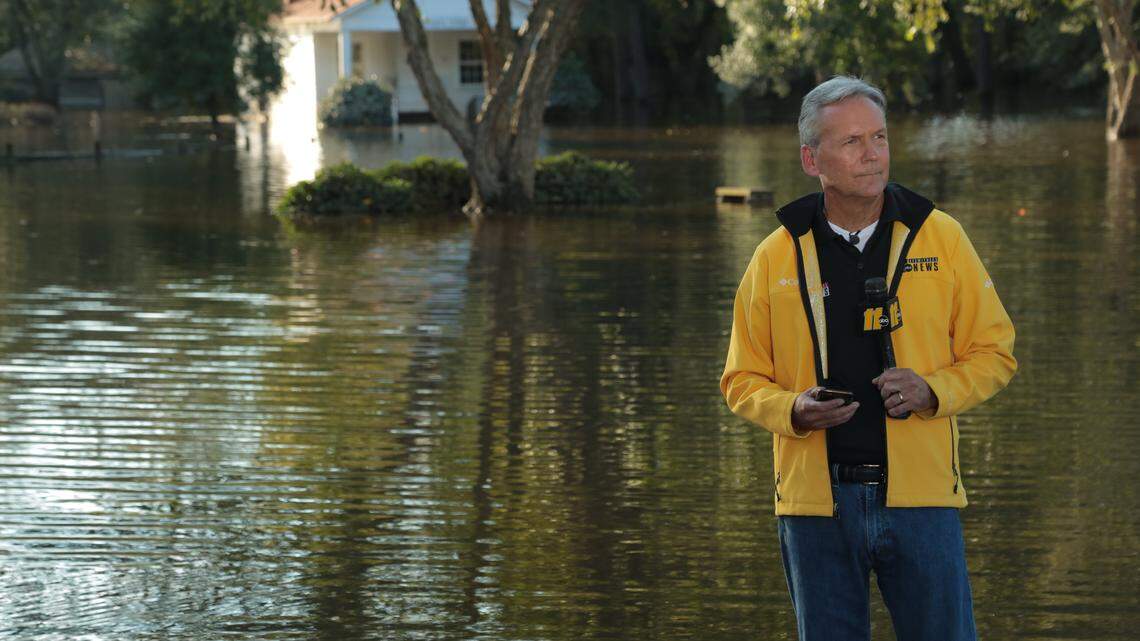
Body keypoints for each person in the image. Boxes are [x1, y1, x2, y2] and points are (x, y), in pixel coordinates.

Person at [719, 76, 1017, 641]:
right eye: (852, 141)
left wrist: (934, 390)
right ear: (812, 159)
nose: (872, 153)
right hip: (815, 508)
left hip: (923, 501)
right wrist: (792, 409)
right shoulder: (775, 255)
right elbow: (740, 378)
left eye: (878, 137)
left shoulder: (942, 238)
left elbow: (994, 351)